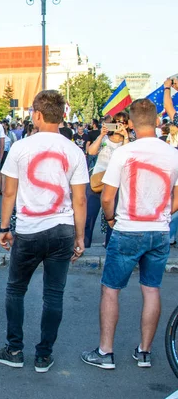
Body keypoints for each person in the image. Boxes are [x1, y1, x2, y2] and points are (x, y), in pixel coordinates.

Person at [0, 90, 88, 373]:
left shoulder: (21, 147)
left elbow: (9, 193)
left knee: (16, 289)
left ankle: (14, 348)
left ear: (37, 115)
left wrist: (5, 227)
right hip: (63, 229)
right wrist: (80, 238)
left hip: (30, 229)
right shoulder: (73, 150)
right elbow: (79, 199)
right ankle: (44, 355)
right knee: (54, 295)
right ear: (62, 116)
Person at [81, 99, 178, 370]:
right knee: (151, 289)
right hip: (158, 229)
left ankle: (106, 352)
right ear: (157, 121)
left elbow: (107, 196)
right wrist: (163, 214)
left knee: (111, 289)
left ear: (131, 124)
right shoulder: (173, 153)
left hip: (127, 228)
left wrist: (111, 219)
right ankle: (144, 352)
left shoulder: (125, 153)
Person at [84, 112, 131, 248]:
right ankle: (84, 246)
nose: (118, 125)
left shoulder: (128, 141)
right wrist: (101, 134)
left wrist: (126, 136)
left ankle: (110, 248)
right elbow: (91, 152)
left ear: (127, 125)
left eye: (122, 122)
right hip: (97, 182)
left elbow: (126, 159)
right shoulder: (105, 139)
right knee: (89, 217)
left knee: (112, 219)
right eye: (116, 121)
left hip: (115, 185)